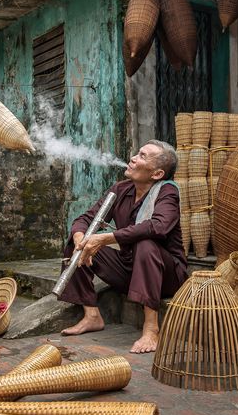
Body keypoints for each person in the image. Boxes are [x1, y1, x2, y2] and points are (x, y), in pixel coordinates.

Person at [58, 140, 188, 354]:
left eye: (143, 156)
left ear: (156, 174)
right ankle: (92, 315)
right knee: (77, 241)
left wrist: (105, 238)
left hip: (167, 276)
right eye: (138, 153)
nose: (134, 158)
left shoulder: (167, 192)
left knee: (146, 243)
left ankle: (151, 328)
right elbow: (85, 218)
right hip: (130, 269)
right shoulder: (120, 189)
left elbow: (159, 227)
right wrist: (83, 238)